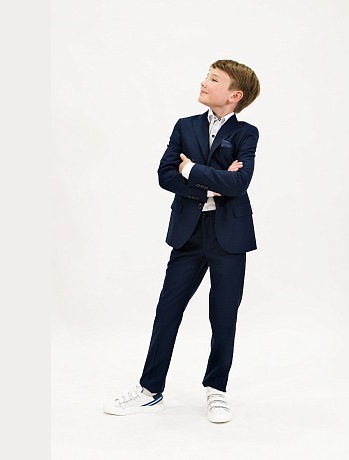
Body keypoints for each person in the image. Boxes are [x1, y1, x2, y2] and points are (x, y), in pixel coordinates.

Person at [104, 59, 260, 423]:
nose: (204, 82)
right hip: (188, 233)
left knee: (223, 315)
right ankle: (150, 390)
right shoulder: (185, 126)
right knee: (167, 310)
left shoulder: (246, 134)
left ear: (234, 95)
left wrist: (190, 169)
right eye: (207, 76)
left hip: (229, 236)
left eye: (214, 79)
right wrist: (214, 182)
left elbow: (239, 183)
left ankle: (216, 389)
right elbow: (165, 176)